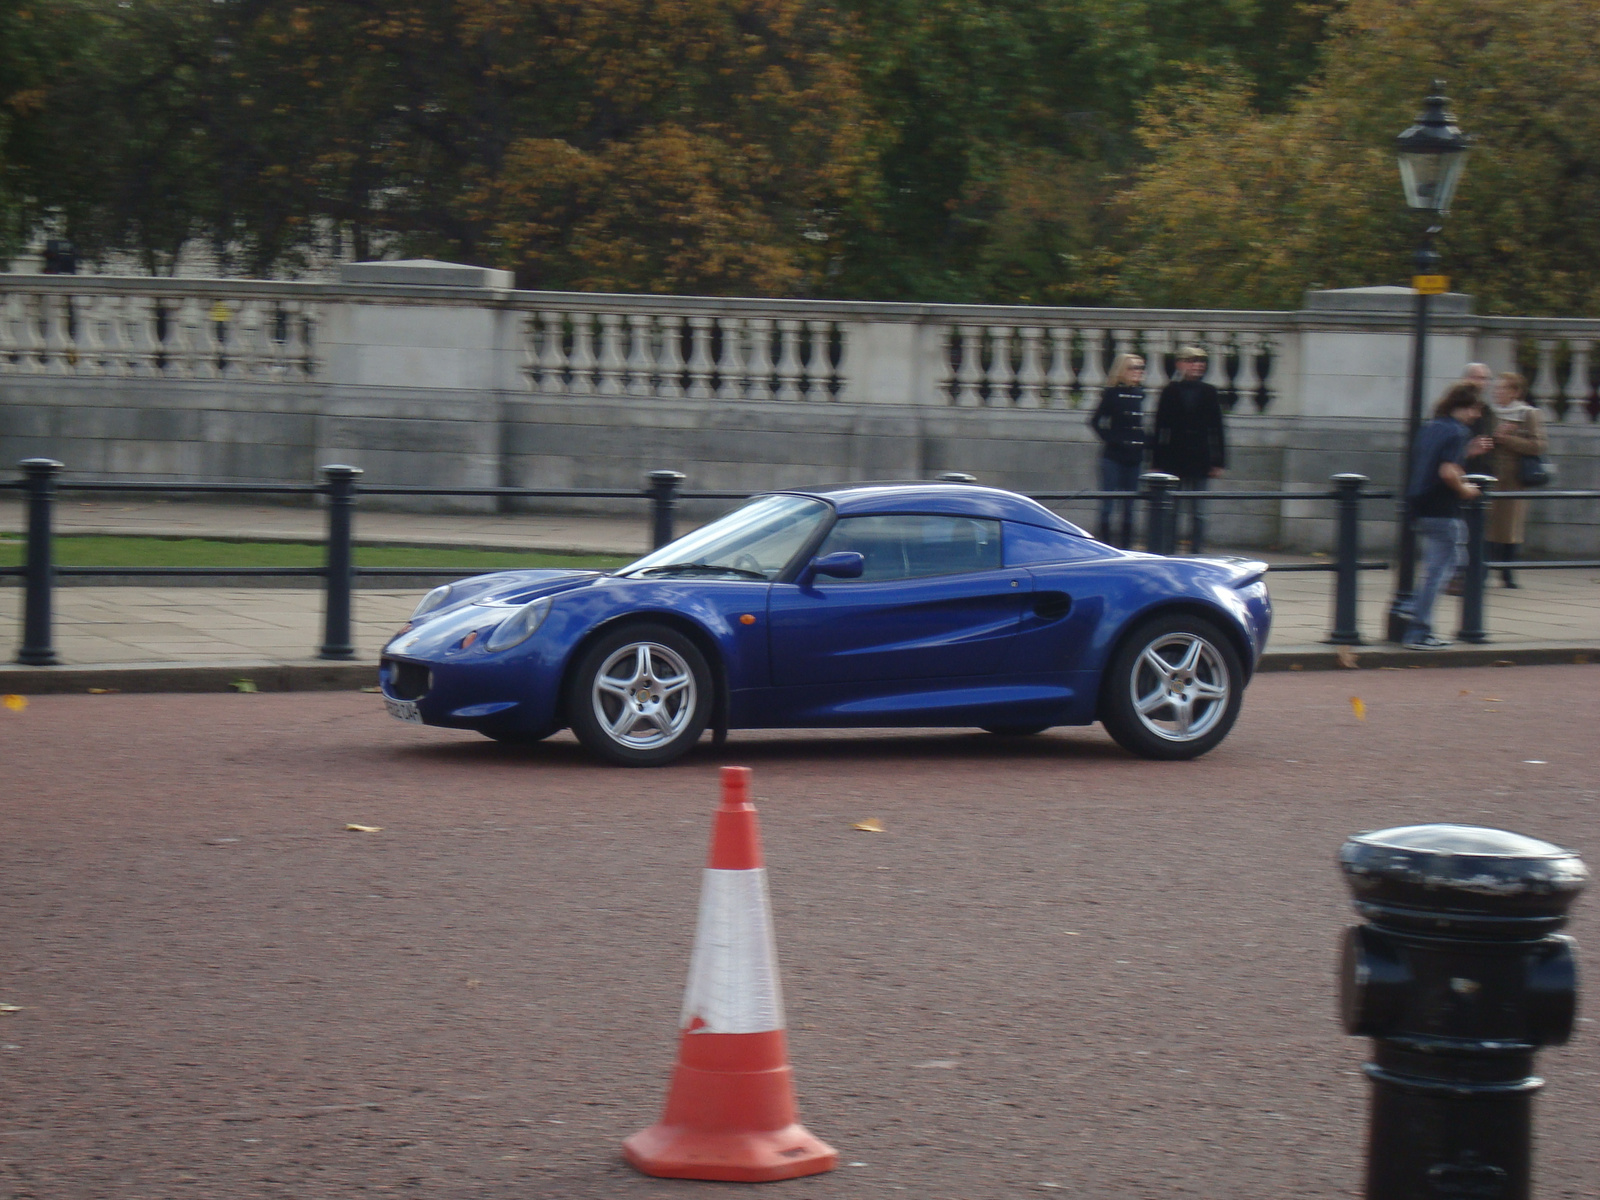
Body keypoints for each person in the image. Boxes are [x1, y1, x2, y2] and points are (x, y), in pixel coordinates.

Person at [1399, 384, 1494, 650]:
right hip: (1443, 507)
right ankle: (1418, 627)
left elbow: (1432, 461)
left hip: (1421, 505)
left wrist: (1467, 453)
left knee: (1448, 562)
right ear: (1463, 407)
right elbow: (1447, 472)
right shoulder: (1457, 431)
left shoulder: (1432, 427)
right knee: (1441, 569)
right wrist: (1467, 490)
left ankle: (1414, 607)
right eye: (1475, 409)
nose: (1476, 416)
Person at [1152, 346, 1226, 553]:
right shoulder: (1170, 391)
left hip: (1200, 457)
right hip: (1173, 458)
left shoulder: (1209, 391)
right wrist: (1156, 462)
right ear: (1180, 364)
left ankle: (1196, 551)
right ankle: (1168, 550)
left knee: (1199, 512)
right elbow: (1159, 427)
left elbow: (1217, 429)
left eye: (1201, 362)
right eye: (1192, 361)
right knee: (1172, 510)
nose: (1197, 366)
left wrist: (1218, 461)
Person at [1485, 372, 1547, 587]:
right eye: (1496, 388)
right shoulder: (1488, 413)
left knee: (1510, 527)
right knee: (1487, 524)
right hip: (1490, 476)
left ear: (1515, 392)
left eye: (1502, 388)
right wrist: (1494, 437)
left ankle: (1507, 573)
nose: (1497, 392)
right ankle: (1483, 571)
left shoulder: (1528, 414)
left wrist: (1509, 439)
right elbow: (1480, 443)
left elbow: (1538, 445)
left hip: (1514, 479)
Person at [1089, 352, 1148, 546]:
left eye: (1140, 368)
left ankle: (1126, 546)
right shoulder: (1112, 393)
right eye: (1133, 367)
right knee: (1109, 504)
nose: (1138, 372)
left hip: (1135, 457)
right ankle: (1104, 544)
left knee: (1130, 507)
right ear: (1122, 370)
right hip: (1113, 457)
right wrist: (1113, 440)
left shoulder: (1141, 394)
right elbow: (1095, 422)